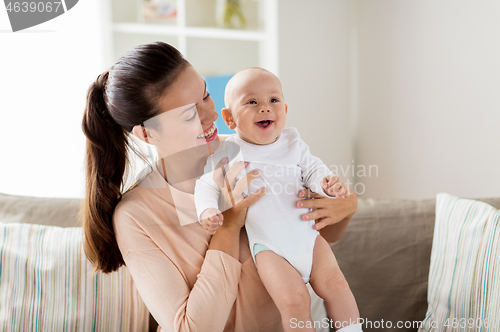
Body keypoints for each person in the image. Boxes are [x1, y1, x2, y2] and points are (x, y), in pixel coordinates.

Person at [81, 41, 359, 332]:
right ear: (147, 133)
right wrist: (227, 228)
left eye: (206, 96)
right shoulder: (137, 217)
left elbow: (316, 235)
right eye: (190, 115)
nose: (212, 116)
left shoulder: (253, 148)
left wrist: (346, 207)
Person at [194, 68, 362, 332]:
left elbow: (313, 168)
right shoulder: (228, 151)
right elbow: (205, 185)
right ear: (230, 118)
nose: (265, 109)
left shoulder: (292, 142)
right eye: (252, 102)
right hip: (269, 248)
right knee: (294, 301)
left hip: (308, 237)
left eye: (273, 101)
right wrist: (207, 210)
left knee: (338, 286)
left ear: (285, 108)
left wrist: (326, 183)